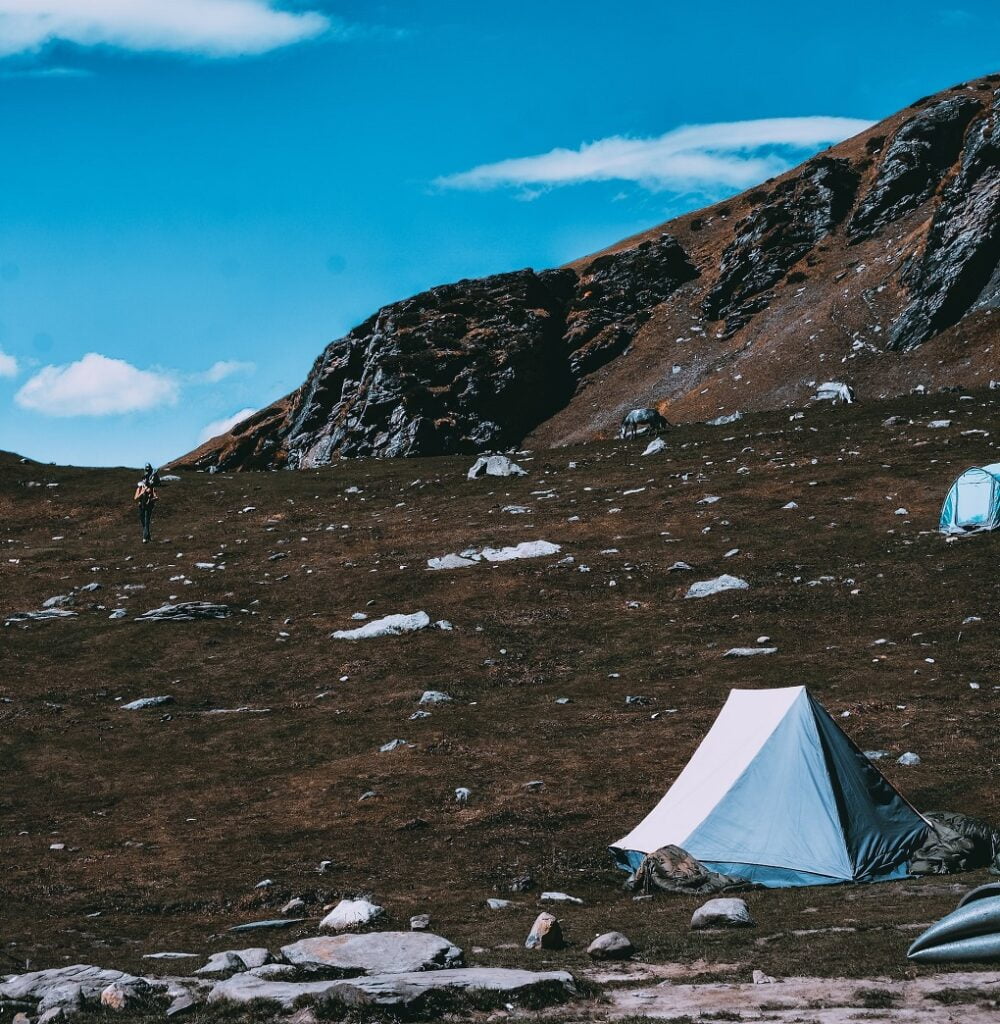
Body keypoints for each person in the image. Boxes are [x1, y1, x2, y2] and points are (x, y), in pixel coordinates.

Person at [134, 464, 160, 543]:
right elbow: (135, 498)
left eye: (146, 479)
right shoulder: (140, 488)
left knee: (146, 522)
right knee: (144, 523)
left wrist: (153, 499)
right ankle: (148, 537)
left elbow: (157, 497)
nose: (145, 480)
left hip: (149, 506)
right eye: (144, 479)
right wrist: (142, 493)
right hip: (141, 506)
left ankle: (145, 538)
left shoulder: (152, 488)